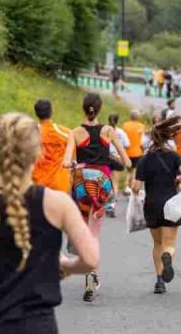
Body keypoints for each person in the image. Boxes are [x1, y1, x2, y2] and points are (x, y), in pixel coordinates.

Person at [0, 112, 99, 334]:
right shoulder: (59, 204)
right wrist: (66, 265)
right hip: (39, 326)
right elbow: (91, 259)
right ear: (39, 152)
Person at [62, 93, 131, 302]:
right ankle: (92, 274)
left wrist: (76, 163)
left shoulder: (75, 132)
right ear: (99, 110)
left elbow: (66, 162)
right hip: (102, 185)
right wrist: (109, 157)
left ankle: (87, 268)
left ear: (84, 109)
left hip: (81, 185)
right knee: (94, 234)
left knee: (83, 231)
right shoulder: (109, 131)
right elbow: (127, 162)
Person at [133, 117, 181, 294]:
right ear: (167, 138)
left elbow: (135, 187)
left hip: (151, 204)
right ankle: (168, 256)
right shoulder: (174, 156)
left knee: (157, 243)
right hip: (171, 204)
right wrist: (177, 180)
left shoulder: (144, 159)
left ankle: (159, 281)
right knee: (169, 243)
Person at [32, 100, 72, 193]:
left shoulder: (31, 134)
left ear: (36, 113)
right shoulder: (66, 133)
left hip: (38, 186)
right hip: (60, 187)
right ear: (52, 111)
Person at [106, 113, 130, 217]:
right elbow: (127, 145)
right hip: (118, 158)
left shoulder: (104, 131)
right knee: (115, 184)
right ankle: (112, 206)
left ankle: (105, 205)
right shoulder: (121, 132)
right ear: (117, 120)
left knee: (106, 183)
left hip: (105, 157)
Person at [122, 110, 146, 193]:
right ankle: (132, 187)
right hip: (137, 151)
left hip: (127, 151)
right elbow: (142, 141)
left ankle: (125, 186)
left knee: (128, 170)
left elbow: (123, 138)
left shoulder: (125, 125)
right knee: (135, 170)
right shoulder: (141, 126)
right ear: (138, 117)